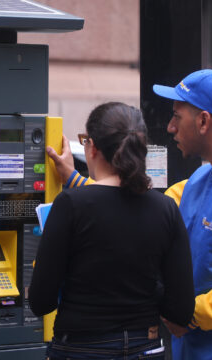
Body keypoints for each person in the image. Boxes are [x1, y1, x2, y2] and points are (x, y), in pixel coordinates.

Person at [47, 70, 212, 359]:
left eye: (177, 116)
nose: (171, 127)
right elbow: (135, 210)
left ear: (203, 121)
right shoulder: (204, 177)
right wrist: (75, 180)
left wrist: (188, 315)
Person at [29, 102, 195, 360]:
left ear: (93, 147)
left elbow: (41, 302)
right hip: (146, 347)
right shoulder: (166, 209)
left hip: (80, 348)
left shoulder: (71, 205)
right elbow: (181, 310)